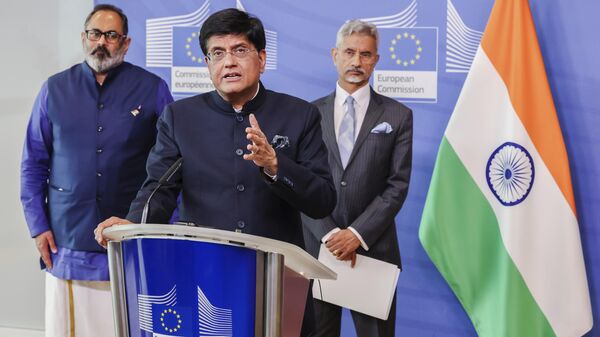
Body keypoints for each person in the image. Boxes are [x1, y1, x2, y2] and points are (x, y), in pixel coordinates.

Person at [95, 8, 336, 336]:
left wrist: (276, 165)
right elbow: (159, 188)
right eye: (217, 53)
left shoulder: (299, 114)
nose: (229, 62)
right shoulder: (180, 117)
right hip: (206, 281)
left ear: (262, 59)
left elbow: (322, 201)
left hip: (280, 279)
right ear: (208, 63)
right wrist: (134, 225)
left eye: (240, 50)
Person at [20, 4, 173, 337]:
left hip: (130, 234)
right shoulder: (54, 88)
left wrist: (163, 228)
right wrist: (37, 225)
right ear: (83, 37)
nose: (101, 42)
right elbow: (33, 162)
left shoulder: (152, 88)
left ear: (126, 43)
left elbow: (171, 164)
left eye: (111, 35)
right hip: (66, 236)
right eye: (95, 33)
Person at [301, 20, 413, 337]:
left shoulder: (398, 115)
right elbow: (299, 184)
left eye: (365, 54)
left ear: (376, 59)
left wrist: (355, 234)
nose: (356, 62)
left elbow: (397, 185)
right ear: (335, 55)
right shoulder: (307, 114)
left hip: (373, 251)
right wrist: (329, 234)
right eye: (349, 52)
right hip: (317, 252)